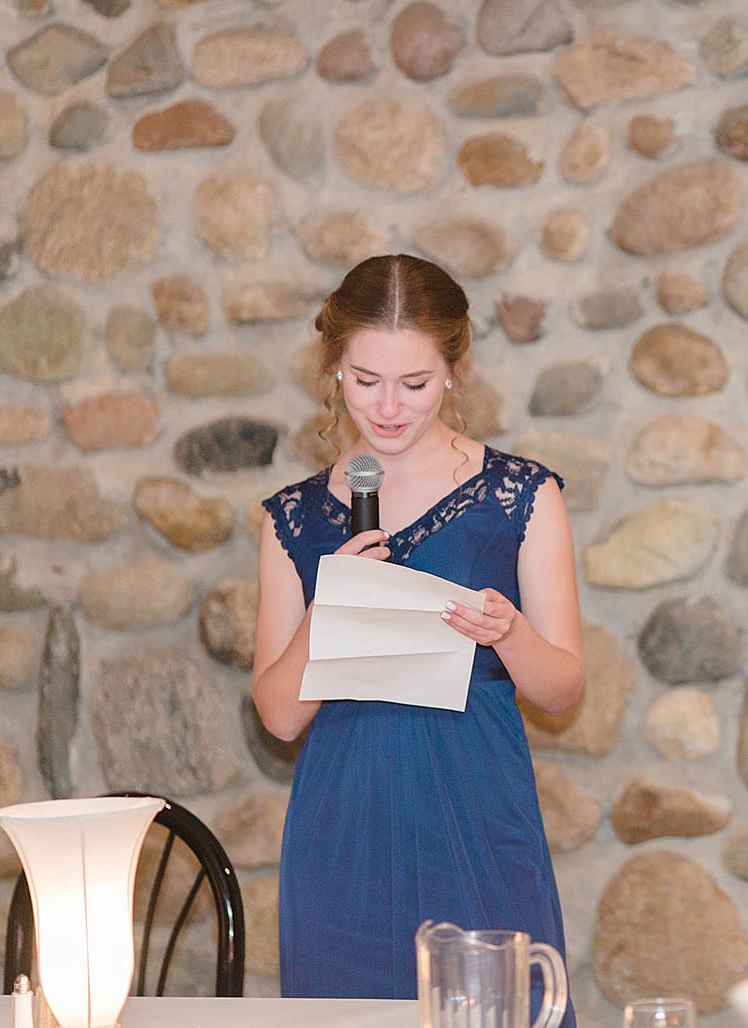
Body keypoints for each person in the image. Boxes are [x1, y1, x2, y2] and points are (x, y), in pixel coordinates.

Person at [251, 254, 583, 1023]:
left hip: (476, 811)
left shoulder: (521, 496)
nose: (390, 408)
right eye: (366, 381)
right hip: (344, 826)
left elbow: (564, 690)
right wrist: (324, 606)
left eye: (416, 383)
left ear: (454, 372)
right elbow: (278, 716)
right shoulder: (290, 519)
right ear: (333, 368)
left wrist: (510, 634)